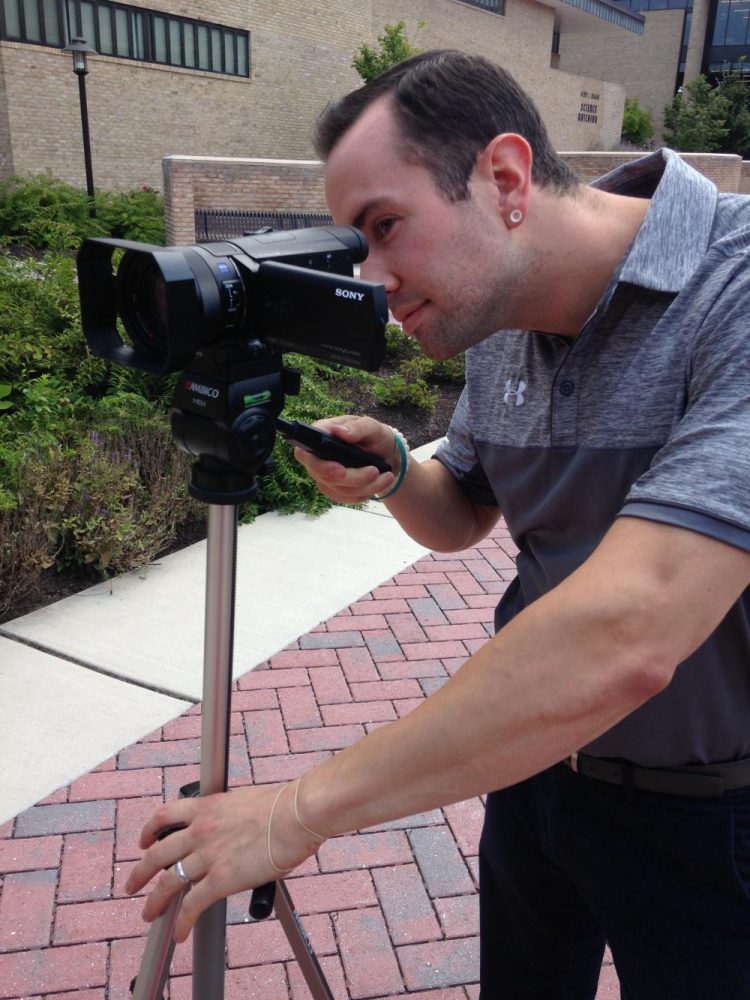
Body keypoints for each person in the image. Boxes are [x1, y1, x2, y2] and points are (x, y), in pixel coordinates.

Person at [126, 51, 750, 997]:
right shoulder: (497, 312)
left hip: (711, 816)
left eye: (384, 227)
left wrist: (296, 813)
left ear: (503, 178)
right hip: (532, 776)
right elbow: (466, 508)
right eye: (355, 245)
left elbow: (634, 630)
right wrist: (394, 472)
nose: (371, 279)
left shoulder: (733, 290)